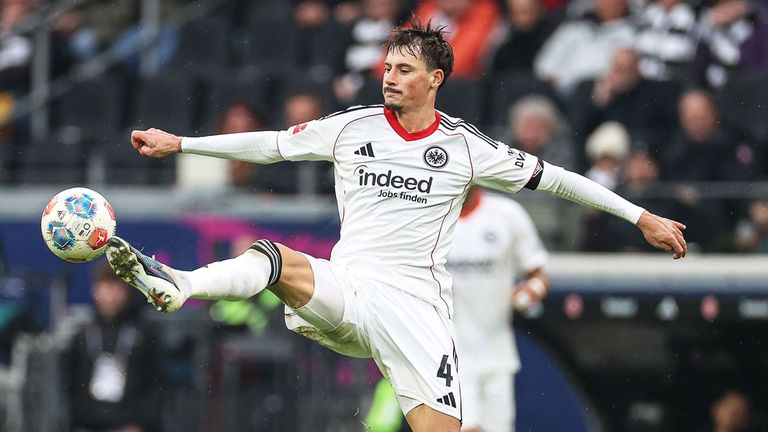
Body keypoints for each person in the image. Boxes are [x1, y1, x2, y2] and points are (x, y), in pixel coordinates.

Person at [104, 22, 687, 432]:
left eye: (404, 69)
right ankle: (179, 284)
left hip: (418, 314)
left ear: (435, 79)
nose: (389, 77)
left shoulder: (463, 146)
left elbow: (558, 179)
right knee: (272, 258)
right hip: (352, 291)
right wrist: (182, 143)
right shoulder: (352, 126)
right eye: (386, 67)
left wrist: (641, 216)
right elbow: (273, 147)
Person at [63, 263, 163, 432]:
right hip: (88, 423)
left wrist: (141, 424)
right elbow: (69, 386)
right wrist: (75, 423)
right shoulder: (82, 335)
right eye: (106, 288)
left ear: (126, 291)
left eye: (116, 288)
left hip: (130, 423)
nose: (111, 296)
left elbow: (156, 385)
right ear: (95, 290)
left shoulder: (145, 336)